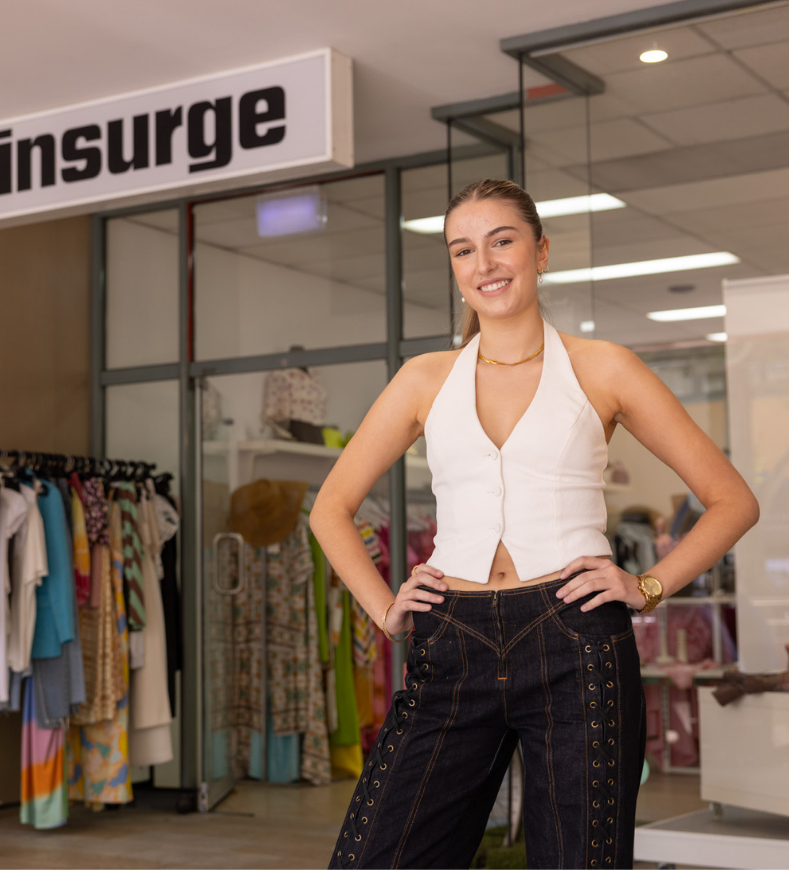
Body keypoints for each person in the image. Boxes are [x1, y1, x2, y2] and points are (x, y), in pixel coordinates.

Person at [309, 178, 758, 869]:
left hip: (572, 637)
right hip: (450, 637)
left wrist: (645, 588)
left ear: (539, 252)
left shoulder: (603, 366)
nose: (483, 263)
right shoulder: (423, 379)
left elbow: (731, 500)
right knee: (377, 856)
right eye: (464, 250)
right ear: (455, 270)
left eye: (501, 241)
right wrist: (383, 608)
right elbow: (329, 509)